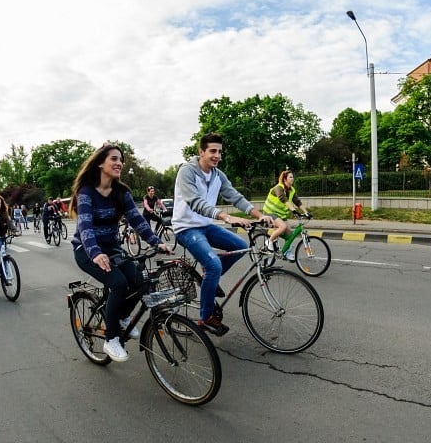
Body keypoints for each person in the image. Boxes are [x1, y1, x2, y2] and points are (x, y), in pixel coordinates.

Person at [72, 144, 169, 362]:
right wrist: (96, 252)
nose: (119, 163)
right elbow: (85, 227)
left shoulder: (121, 192)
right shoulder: (87, 192)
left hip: (112, 248)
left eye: (121, 160)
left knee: (138, 279)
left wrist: (156, 241)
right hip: (87, 250)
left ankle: (122, 317)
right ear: (100, 163)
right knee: (118, 283)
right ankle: (111, 338)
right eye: (114, 159)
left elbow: (137, 220)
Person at [172, 133, 273, 336]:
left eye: (220, 151)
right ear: (201, 152)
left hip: (206, 225)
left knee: (239, 246)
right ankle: (206, 317)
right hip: (186, 228)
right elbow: (195, 202)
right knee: (214, 265)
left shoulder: (218, 175)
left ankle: (210, 276)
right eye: (212, 151)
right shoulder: (187, 171)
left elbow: (235, 196)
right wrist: (225, 217)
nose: (217, 155)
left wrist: (259, 215)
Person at [262, 170, 309, 261]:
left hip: (281, 215)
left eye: (293, 177)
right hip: (269, 213)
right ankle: (269, 241)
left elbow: (297, 202)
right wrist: (294, 211)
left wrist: (306, 212)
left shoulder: (292, 190)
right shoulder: (278, 188)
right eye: (290, 177)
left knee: (290, 235)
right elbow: (283, 199)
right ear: (284, 179)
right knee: (282, 227)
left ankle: (286, 253)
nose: (292, 179)